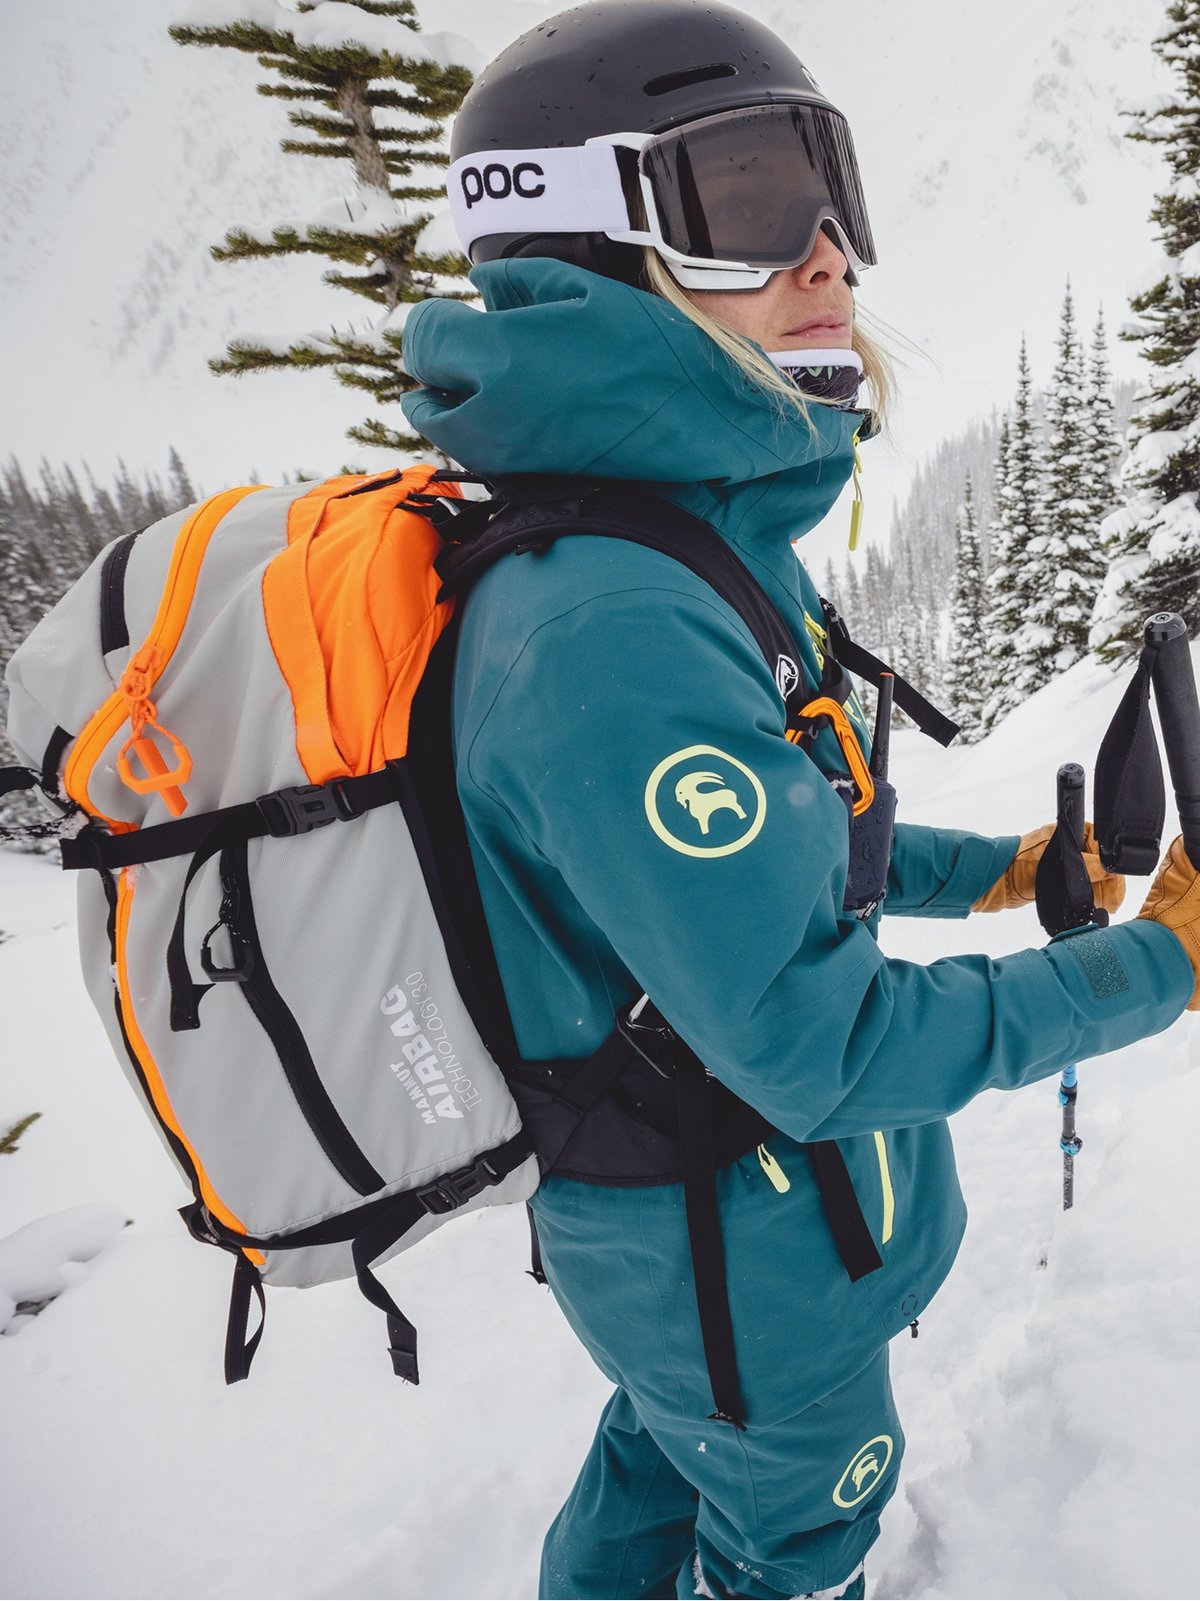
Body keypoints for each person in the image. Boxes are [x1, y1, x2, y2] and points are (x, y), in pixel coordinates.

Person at [399, 3, 1200, 1596]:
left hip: (709, 1251)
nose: (830, 252)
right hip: (730, 1251)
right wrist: (1154, 966)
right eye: (751, 195)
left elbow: (777, 838)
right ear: (591, 239)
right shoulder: (613, 627)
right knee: (792, 1527)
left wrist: (991, 869)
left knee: (668, 1444)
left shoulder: (678, 541)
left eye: (832, 190)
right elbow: (823, 1047)